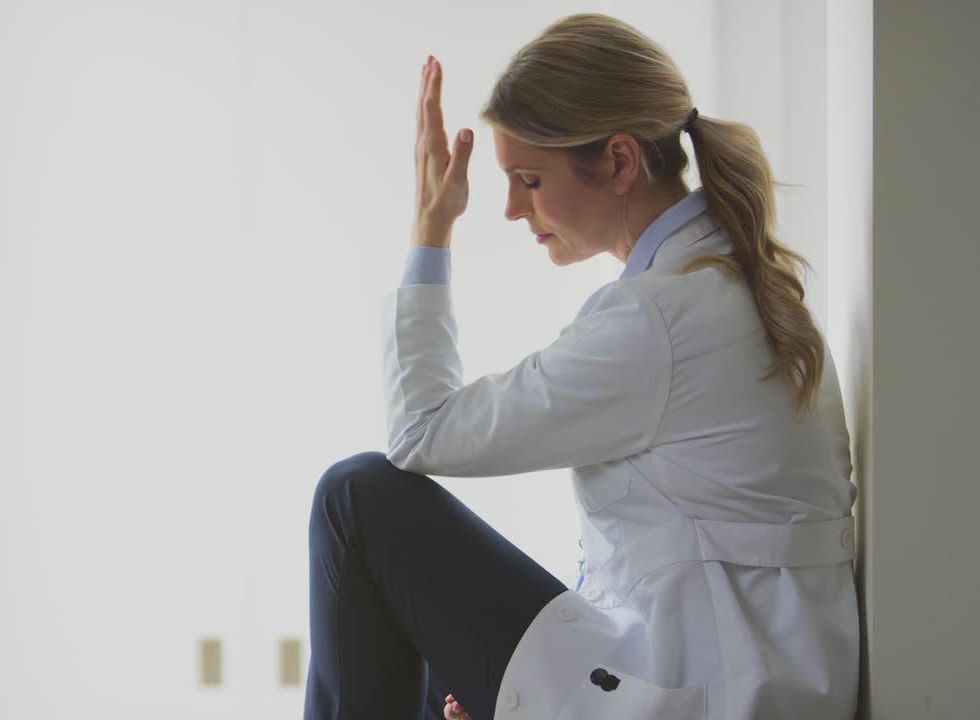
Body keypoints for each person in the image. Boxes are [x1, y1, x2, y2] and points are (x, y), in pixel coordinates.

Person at [303, 12, 859, 720]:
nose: (509, 209)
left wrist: (430, 228)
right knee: (422, 635)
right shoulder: (733, 289)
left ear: (620, 161)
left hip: (709, 694)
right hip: (726, 677)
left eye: (529, 180)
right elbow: (662, 563)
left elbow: (421, 433)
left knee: (357, 499)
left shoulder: (656, 321)